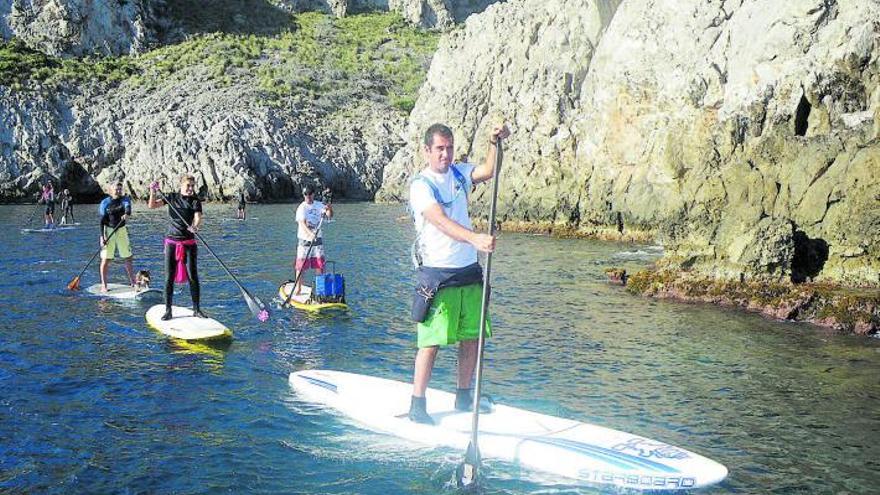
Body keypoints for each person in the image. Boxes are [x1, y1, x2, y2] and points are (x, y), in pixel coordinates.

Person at [406, 122, 510, 424]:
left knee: (472, 337)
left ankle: (464, 396)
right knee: (431, 342)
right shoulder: (421, 186)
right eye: (440, 148)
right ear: (427, 151)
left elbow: (490, 170)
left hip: (469, 271)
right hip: (438, 275)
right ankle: (417, 404)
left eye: (449, 148)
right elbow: (438, 220)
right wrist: (475, 238)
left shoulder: (459, 174)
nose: (446, 154)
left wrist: (494, 142)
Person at [148, 175, 205, 320]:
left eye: (193, 185)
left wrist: (195, 227)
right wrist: (153, 191)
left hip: (189, 244)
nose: (191, 188)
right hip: (171, 243)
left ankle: (197, 309)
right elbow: (152, 205)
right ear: (181, 185)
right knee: (169, 277)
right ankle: (168, 310)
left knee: (193, 277)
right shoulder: (172, 197)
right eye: (188, 185)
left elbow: (198, 218)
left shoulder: (195, 201)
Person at [292, 185, 333, 296]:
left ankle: (320, 290)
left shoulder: (319, 205)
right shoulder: (302, 208)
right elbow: (302, 224)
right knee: (301, 266)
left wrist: (329, 209)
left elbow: (329, 216)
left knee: (320, 265)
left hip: (317, 241)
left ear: (313, 194)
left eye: (310, 194)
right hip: (304, 241)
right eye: (306, 194)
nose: (308, 197)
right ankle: (298, 289)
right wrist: (311, 235)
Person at [98, 181, 136, 291]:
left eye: (120, 189)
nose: (119, 191)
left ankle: (132, 282)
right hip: (108, 230)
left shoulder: (125, 199)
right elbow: (101, 221)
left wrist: (126, 214)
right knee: (106, 259)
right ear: (111, 190)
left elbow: (128, 208)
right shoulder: (105, 203)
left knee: (128, 257)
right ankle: (104, 285)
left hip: (121, 230)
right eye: (116, 189)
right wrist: (102, 237)